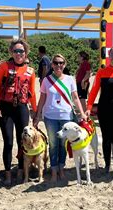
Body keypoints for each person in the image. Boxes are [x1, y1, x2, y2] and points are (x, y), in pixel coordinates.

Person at [33, 54, 86, 183]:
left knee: (63, 144)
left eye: (61, 63)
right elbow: (42, 99)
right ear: (52, 65)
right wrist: (37, 115)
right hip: (50, 117)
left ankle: (61, 168)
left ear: (65, 64)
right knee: (53, 144)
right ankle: (54, 170)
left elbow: (75, 98)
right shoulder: (46, 80)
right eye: (56, 63)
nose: (58, 65)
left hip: (66, 116)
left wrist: (82, 113)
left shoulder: (70, 79)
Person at [0, 39, 37, 186]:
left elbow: (32, 93)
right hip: (6, 107)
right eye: (16, 51)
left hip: (22, 108)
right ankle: (7, 173)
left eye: (22, 51)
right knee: (9, 142)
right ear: (11, 52)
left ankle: (20, 170)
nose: (19, 54)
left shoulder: (30, 71)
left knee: (22, 141)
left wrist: (35, 111)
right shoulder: (4, 67)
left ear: (26, 53)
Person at [85, 46, 113, 176]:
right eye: (112, 55)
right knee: (106, 139)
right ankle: (107, 165)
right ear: (108, 56)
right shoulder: (101, 72)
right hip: (104, 109)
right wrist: (89, 108)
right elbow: (94, 91)